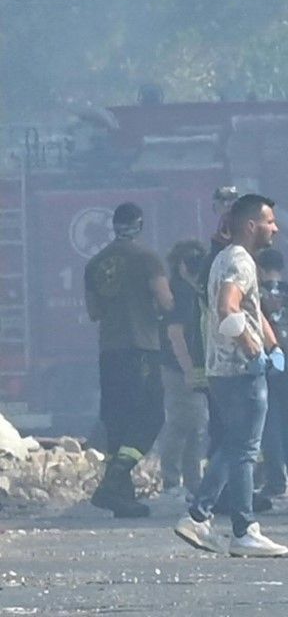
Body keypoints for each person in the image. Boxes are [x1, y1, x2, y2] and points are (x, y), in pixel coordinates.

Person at [174, 193, 288, 557]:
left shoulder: (225, 258)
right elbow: (228, 309)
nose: (276, 228)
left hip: (221, 369)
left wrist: (273, 346)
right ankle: (229, 524)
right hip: (240, 370)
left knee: (236, 446)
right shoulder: (240, 260)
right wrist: (255, 352)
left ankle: (215, 520)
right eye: (270, 221)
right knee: (244, 448)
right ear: (252, 225)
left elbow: (252, 312)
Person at [83, 202, 172, 518]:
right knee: (150, 418)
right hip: (141, 348)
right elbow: (166, 302)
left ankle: (122, 499)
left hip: (109, 352)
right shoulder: (147, 259)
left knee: (117, 424)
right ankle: (112, 482)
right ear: (140, 224)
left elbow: (94, 313)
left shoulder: (95, 263)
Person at [254, 248, 288, 500]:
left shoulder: (258, 296)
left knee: (270, 428)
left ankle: (276, 483)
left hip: (270, 368)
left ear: (260, 268)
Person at [155, 240, 210, 496]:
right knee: (180, 424)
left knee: (196, 425)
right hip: (178, 368)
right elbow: (175, 333)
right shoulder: (179, 293)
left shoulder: (194, 291)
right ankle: (172, 481)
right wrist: (189, 368)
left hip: (191, 367)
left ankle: (192, 480)